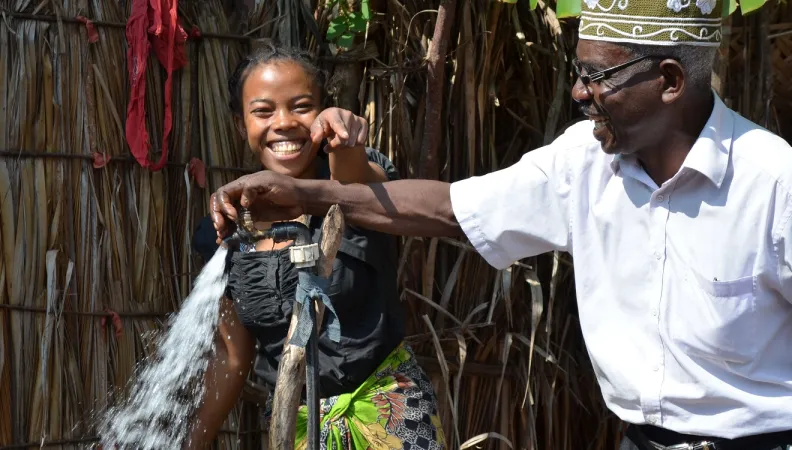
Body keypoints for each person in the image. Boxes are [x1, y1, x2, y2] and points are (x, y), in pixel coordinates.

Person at [209, 1, 792, 449]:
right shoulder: (582, 163)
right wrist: (305, 195)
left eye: (598, 76)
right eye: (579, 71)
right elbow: (451, 209)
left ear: (669, 81)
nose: (578, 92)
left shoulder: (773, 184)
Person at [186, 42, 446, 450]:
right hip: (296, 427)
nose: (284, 122)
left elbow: (352, 178)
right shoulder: (227, 229)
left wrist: (344, 137)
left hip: (391, 419)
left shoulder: (354, 188)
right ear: (240, 125)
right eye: (263, 111)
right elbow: (231, 357)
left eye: (302, 107)